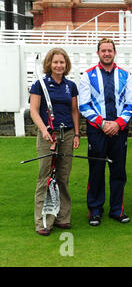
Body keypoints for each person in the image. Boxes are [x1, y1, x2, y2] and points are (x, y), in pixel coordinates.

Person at [78, 38, 132, 226]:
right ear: (98, 53)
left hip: (119, 130)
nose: (107, 53)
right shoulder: (88, 76)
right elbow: (84, 105)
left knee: (118, 171)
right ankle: (95, 210)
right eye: (103, 50)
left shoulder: (125, 75)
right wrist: (103, 124)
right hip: (97, 131)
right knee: (96, 171)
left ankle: (116, 209)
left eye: (110, 50)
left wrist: (118, 123)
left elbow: (130, 103)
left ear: (114, 52)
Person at [29, 48, 80, 236]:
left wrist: (76, 134)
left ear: (66, 65)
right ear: (49, 64)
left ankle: (62, 217)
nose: (59, 65)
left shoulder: (70, 86)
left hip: (66, 135)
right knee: (45, 178)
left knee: (63, 178)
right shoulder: (39, 84)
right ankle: (43, 221)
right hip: (48, 137)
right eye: (55, 62)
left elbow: (74, 110)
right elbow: (34, 110)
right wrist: (44, 130)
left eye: (62, 62)